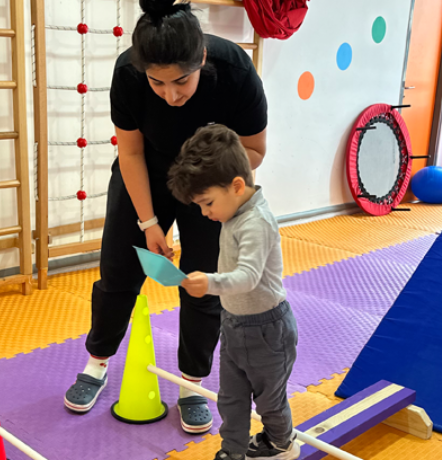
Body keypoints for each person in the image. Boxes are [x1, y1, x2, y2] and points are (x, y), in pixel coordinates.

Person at [63, 0, 268, 435]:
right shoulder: (127, 73)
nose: (171, 95)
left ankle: (191, 384)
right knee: (119, 272)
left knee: (203, 282)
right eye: (157, 83)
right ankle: (97, 362)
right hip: (147, 172)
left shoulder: (235, 71)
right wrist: (149, 223)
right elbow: (131, 151)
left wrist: (209, 193)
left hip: (209, 181)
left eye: (181, 81)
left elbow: (254, 151)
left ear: (203, 60)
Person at [170, 125, 299, 460]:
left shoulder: (257, 221)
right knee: (231, 398)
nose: (205, 212)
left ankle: (281, 443)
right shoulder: (233, 212)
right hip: (233, 324)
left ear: (237, 186)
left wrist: (210, 283)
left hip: (268, 329)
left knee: (269, 400)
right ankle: (232, 451)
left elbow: (249, 277)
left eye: (207, 203)